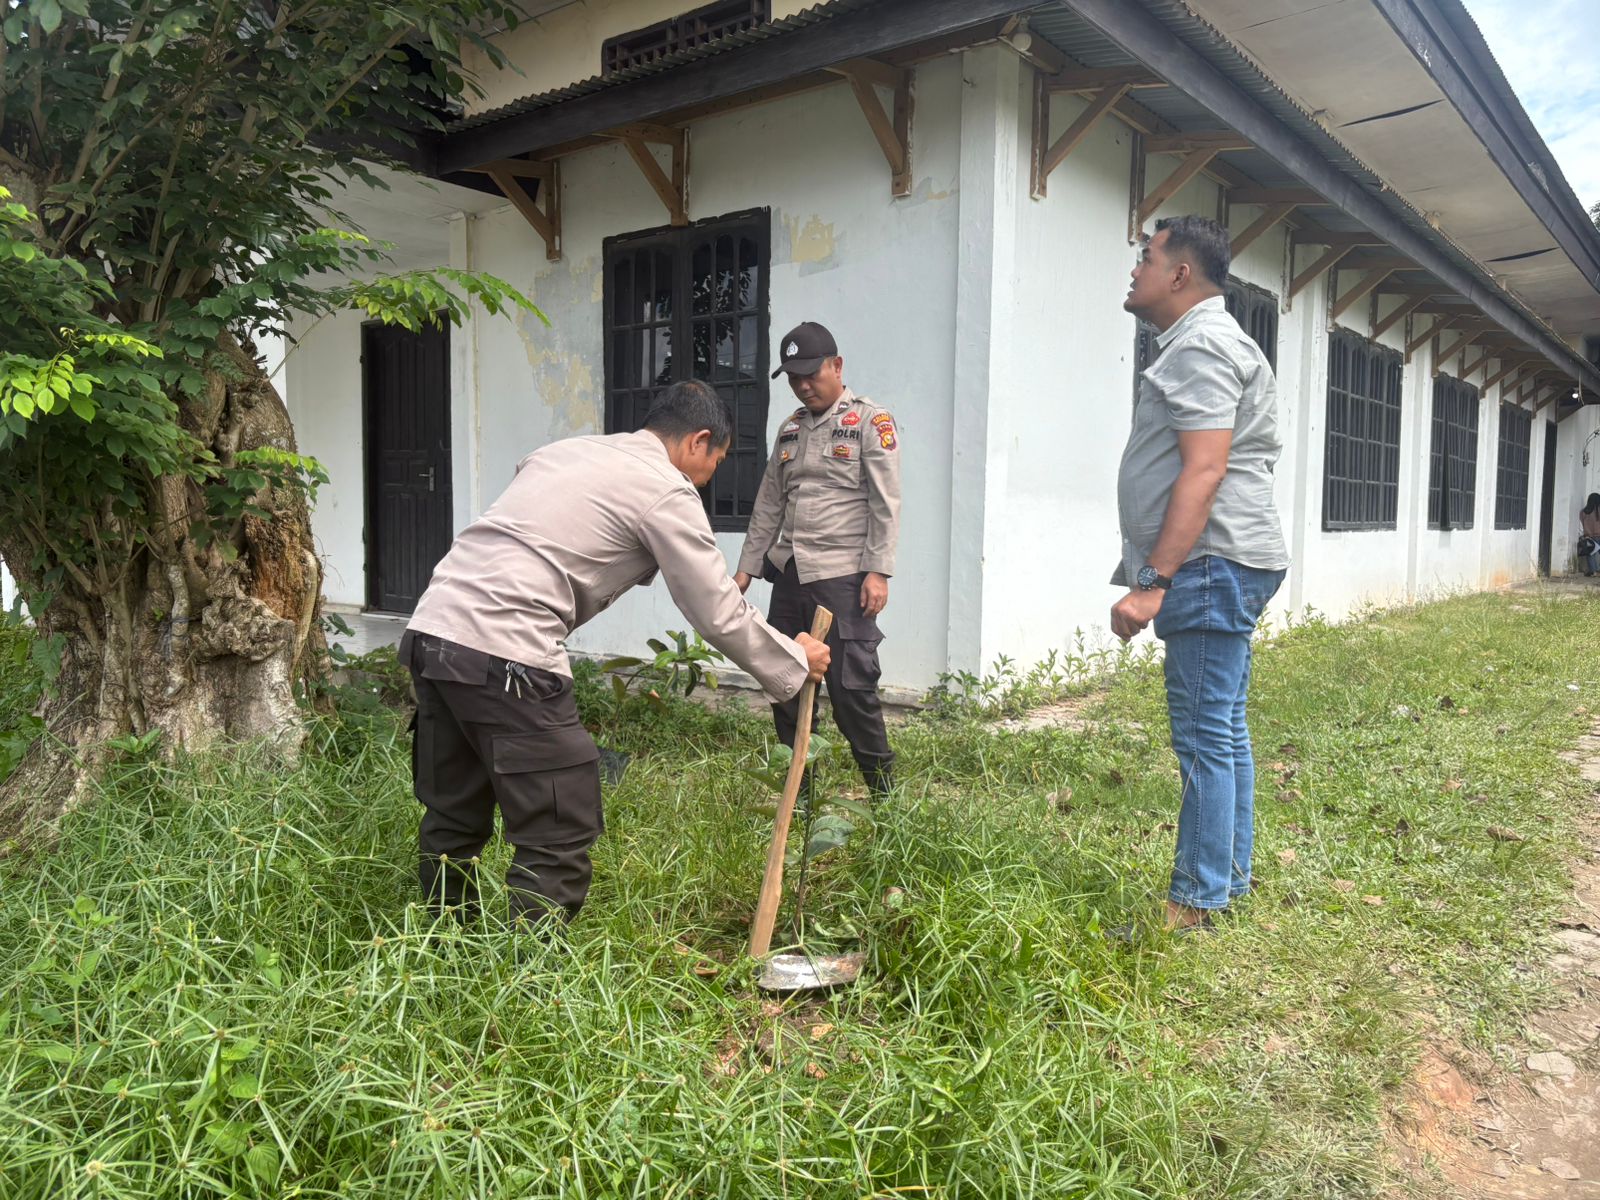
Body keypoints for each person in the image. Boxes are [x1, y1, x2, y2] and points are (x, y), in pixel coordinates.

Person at [401, 380, 831, 926]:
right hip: (508, 649)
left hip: (432, 632)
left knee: (453, 812)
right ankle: (525, 967)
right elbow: (717, 609)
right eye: (716, 462)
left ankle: (445, 943)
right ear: (699, 441)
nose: (708, 477)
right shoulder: (666, 489)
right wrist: (795, 659)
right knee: (559, 825)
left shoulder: (564, 452)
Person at [1110, 215, 1290, 934]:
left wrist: (1153, 580)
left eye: (1146, 258)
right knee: (1223, 729)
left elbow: (1205, 468)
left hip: (1210, 562)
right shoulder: (1208, 340)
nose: (1136, 270)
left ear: (1180, 273)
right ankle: (1225, 879)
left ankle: (1194, 902)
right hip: (1226, 557)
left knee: (1204, 735)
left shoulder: (1202, 344)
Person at [734, 321, 901, 801]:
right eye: (794, 378)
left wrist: (878, 570)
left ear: (837, 366)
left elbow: (885, 501)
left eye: (812, 374)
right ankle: (800, 797)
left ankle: (886, 800)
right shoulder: (789, 429)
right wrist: (745, 570)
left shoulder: (870, 421)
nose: (803, 385)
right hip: (790, 576)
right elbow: (769, 503)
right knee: (784, 681)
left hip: (844, 578)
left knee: (852, 692)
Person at [1579, 493, 1600, 575]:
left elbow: (1581, 525)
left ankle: (1593, 571)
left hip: (1589, 537)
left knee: (1590, 554)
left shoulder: (1583, 512)